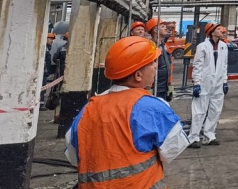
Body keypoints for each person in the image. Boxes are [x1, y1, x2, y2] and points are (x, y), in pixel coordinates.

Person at [65, 36, 189, 187]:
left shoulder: (88, 109)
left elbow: (73, 155)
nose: (156, 66)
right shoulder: (153, 107)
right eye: (152, 63)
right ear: (138, 75)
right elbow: (172, 150)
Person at [189, 24, 229, 148]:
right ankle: (193, 138)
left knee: (215, 110)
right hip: (204, 83)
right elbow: (197, 65)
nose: (222, 31)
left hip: (218, 83)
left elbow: (224, 65)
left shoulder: (223, 46)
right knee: (199, 111)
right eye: (218, 29)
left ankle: (209, 136)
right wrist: (197, 83)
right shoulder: (202, 47)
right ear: (211, 32)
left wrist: (224, 81)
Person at [146, 18, 173, 101]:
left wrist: (169, 85)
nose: (165, 28)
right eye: (162, 26)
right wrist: (148, 87)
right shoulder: (150, 47)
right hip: (154, 88)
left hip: (163, 87)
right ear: (155, 30)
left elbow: (169, 66)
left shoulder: (164, 46)